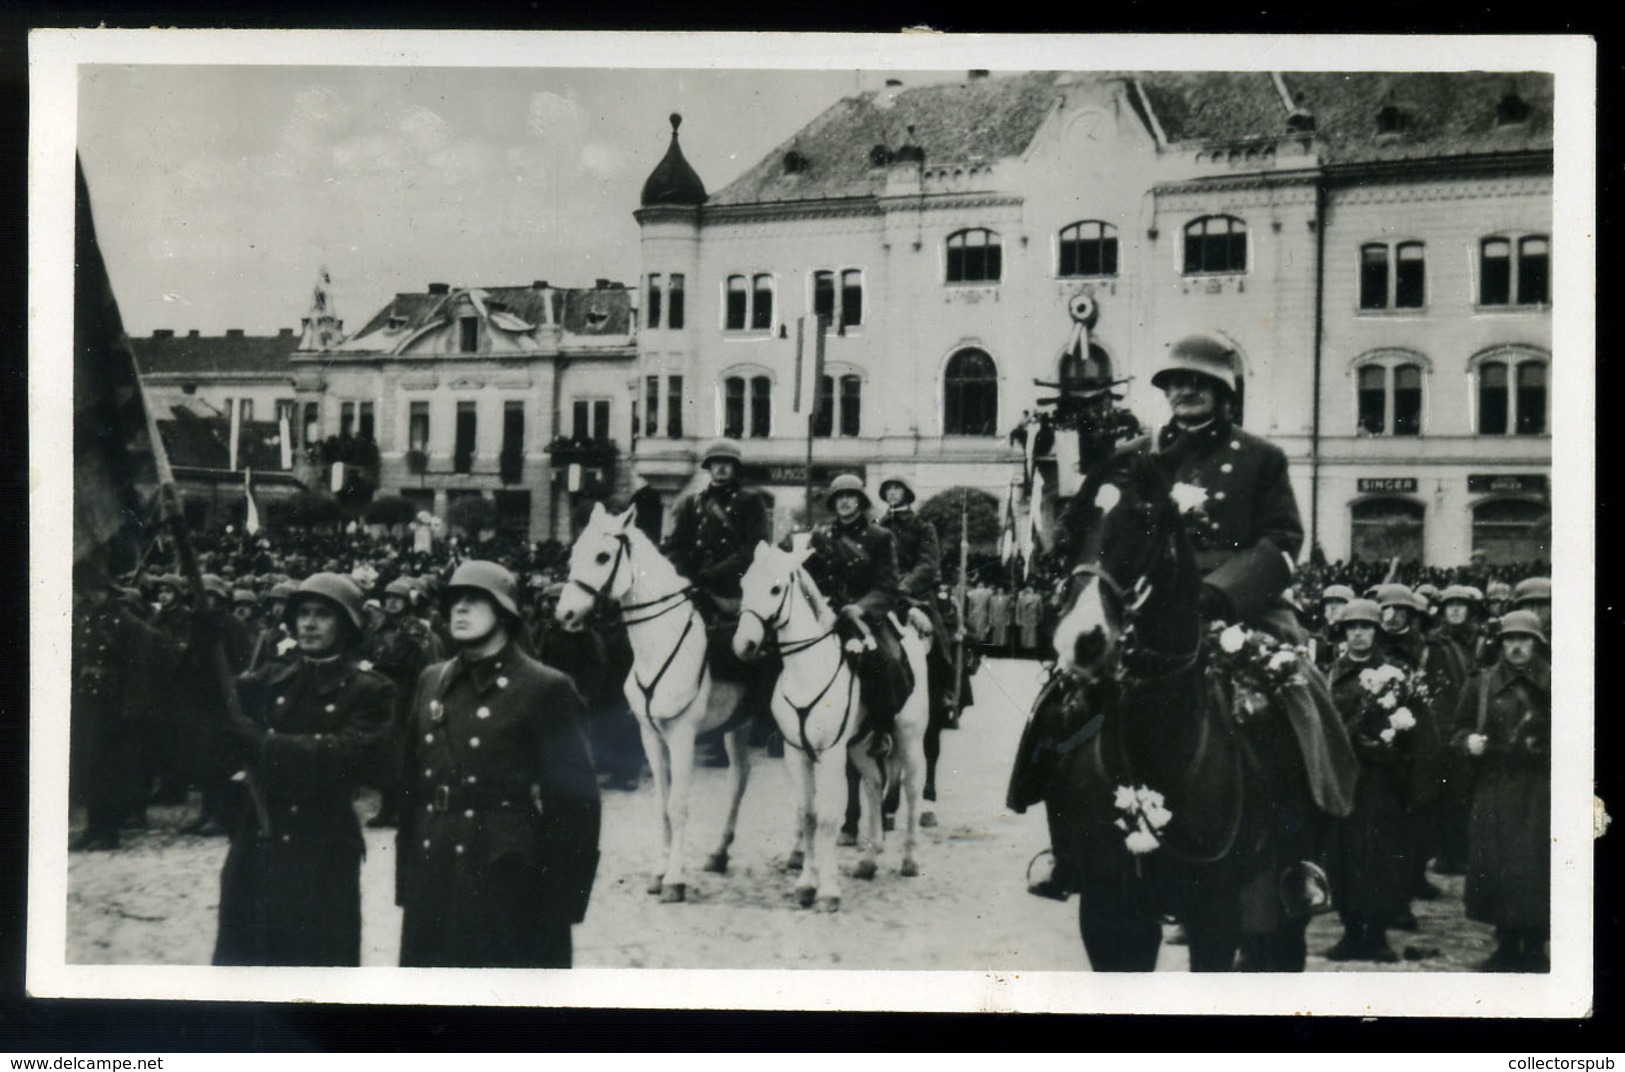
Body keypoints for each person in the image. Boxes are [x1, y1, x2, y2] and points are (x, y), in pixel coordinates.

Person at [397, 560, 601, 968]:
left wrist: (560, 904)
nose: (459, 609)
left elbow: (576, 805)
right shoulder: (431, 680)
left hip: (505, 871)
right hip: (435, 865)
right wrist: (409, 881)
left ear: (505, 612)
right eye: (454, 600)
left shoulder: (545, 687)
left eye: (474, 600)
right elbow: (410, 786)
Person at [212, 573, 395, 966]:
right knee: (246, 960)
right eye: (303, 614)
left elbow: (348, 756)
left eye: (323, 615)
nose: (309, 624)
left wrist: (264, 746)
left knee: (314, 962)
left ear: (346, 625)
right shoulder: (273, 677)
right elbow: (212, 703)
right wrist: (204, 643)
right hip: (258, 838)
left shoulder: (371, 690)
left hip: (322, 844)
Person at [662, 438, 773, 766]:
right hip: (698, 586)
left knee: (744, 648)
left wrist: (711, 575)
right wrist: (679, 574)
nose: (721, 468)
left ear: (736, 468)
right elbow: (677, 545)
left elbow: (752, 548)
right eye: (715, 463)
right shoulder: (692, 502)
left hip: (735, 589)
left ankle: (754, 717)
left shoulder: (751, 501)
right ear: (708, 468)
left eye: (727, 463)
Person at [1452, 609, 1551, 972]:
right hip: (1494, 786)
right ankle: (1506, 944)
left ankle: (1536, 945)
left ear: (1537, 644)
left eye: (1524, 639)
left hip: (1540, 788)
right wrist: (1468, 743)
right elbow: (1458, 729)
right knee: (1495, 865)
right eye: (1510, 639)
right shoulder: (1482, 683)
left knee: (1538, 867)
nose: (1517, 647)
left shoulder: (1558, 683)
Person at [1322, 600, 1417, 963]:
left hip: (1380, 780)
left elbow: (1410, 728)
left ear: (1377, 632)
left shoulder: (1395, 673)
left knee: (1378, 856)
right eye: (1351, 627)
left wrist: (1385, 752)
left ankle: (1377, 935)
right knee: (1343, 856)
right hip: (1344, 779)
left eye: (1365, 627)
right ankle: (1351, 931)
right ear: (1343, 633)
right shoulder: (1332, 674)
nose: (1358, 633)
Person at [796, 474, 908, 760]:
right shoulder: (820, 536)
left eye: (850, 496)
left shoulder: (880, 537)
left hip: (866, 617)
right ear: (833, 503)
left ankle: (882, 730)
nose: (845, 501)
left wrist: (862, 607)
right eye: (839, 497)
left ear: (860, 501)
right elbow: (808, 577)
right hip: (828, 615)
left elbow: (887, 586)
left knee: (888, 659)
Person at [362, 576, 444, 828]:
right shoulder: (379, 628)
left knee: (404, 753)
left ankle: (403, 809)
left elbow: (420, 662)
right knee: (384, 753)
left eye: (397, 599)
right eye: (388, 599)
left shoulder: (415, 628)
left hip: (406, 695)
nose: (392, 603)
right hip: (382, 695)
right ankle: (387, 808)